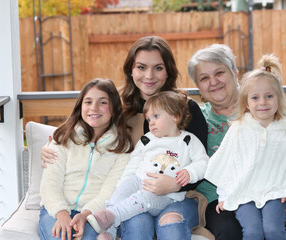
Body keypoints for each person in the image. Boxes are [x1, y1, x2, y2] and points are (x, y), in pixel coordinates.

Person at [41, 36, 208, 240]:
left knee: (170, 225)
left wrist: (176, 184)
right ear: (131, 70)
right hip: (135, 193)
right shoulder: (119, 107)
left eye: (158, 68)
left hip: (178, 195)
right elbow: (86, 129)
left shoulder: (185, 108)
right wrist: (51, 147)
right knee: (138, 224)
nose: (149, 75)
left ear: (168, 71)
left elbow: (202, 162)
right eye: (141, 67)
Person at [187, 44, 286, 240]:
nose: (213, 82)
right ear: (198, 86)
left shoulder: (266, 109)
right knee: (231, 231)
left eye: (219, 73)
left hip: (276, 190)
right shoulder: (198, 119)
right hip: (223, 197)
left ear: (234, 72)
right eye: (204, 78)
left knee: (279, 225)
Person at [87, 91, 209, 240]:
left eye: (156, 117)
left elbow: (203, 162)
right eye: (149, 118)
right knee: (118, 196)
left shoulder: (188, 140)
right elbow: (134, 163)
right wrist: (123, 184)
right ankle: (109, 233)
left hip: (165, 194)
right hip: (138, 180)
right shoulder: (147, 139)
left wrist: (190, 172)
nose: (150, 122)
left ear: (175, 117)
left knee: (143, 198)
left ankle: (113, 215)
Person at [38, 78, 133, 240]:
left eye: (103, 102)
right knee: (62, 237)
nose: (94, 108)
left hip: (92, 213)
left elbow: (110, 191)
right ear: (80, 106)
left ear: (114, 109)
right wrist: (62, 214)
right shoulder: (63, 139)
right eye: (88, 102)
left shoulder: (122, 148)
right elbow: (50, 183)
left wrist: (85, 215)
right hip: (56, 210)